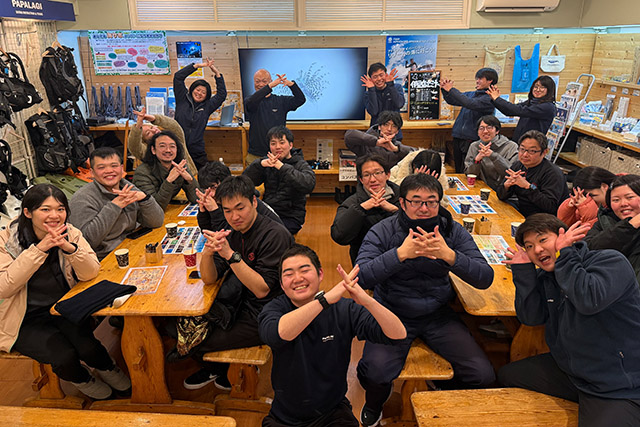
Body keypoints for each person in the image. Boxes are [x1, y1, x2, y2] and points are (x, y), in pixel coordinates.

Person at [356, 174, 495, 426]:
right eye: (416, 201)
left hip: (437, 313)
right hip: (392, 313)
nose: (424, 208)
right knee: (374, 373)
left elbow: (485, 277)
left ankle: (442, 390)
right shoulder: (383, 230)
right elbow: (361, 277)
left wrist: (450, 255)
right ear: (402, 203)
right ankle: (375, 404)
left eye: (431, 202)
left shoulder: (451, 230)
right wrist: (399, 254)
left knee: (482, 374)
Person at [500, 213, 640, 426]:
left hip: (617, 385)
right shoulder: (549, 277)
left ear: (564, 236)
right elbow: (531, 317)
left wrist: (565, 254)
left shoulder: (610, 261)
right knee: (508, 375)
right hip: (572, 372)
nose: (537, 250)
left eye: (543, 240)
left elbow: (588, 300)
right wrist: (524, 272)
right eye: (529, 246)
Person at [0, 184, 131, 400]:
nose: (55, 215)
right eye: (45, 209)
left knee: (89, 348)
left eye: (60, 209)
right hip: (22, 318)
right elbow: (4, 287)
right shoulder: (6, 241)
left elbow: (91, 272)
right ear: (27, 212)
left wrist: (70, 249)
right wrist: (40, 249)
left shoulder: (70, 232)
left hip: (62, 308)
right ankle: (83, 379)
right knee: (64, 357)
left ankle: (109, 368)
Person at [258, 244, 407, 427]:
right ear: (282, 284)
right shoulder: (274, 309)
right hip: (284, 417)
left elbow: (398, 334)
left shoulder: (344, 309)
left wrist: (368, 301)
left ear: (320, 274)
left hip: (332, 412)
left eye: (304, 270)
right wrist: (324, 300)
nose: (297, 278)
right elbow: (277, 335)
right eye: (288, 274)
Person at [182, 175, 293, 391]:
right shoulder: (234, 232)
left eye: (240, 208)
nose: (234, 216)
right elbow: (209, 278)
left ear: (254, 202)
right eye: (227, 211)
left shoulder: (274, 235)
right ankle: (220, 369)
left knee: (193, 341)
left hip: (269, 313)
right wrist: (208, 253)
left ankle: (223, 370)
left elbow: (262, 290)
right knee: (178, 327)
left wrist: (230, 255)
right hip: (240, 302)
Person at [69, 147, 164, 260]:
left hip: (133, 247)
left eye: (114, 166)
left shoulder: (127, 187)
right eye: (101, 167)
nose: (109, 171)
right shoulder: (81, 199)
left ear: (121, 168)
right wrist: (114, 206)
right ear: (92, 173)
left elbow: (157, 222)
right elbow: (87, 241)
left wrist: (145, 199)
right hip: (105, 258)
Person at [244, 126, 316, 235]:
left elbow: (309, 185)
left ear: (290, 145)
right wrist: (259, 164)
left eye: (282, 143)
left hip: (291, 216)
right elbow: (245, 181)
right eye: (273, 143)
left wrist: (282, 167)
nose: (278, 147)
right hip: (268, 211)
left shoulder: (300, 163)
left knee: (269, 233)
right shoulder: (268, 162)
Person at [331, 154, 400, 265]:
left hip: (400, 261)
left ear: (388, 174)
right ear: (361, 179)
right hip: (366, 263)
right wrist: (361, 209)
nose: (372, 179)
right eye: (366, 175)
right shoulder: (351, 203)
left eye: (377, 173)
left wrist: (395, 210)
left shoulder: (404, 198)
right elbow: (339, 236)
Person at [496, 130, 569, 217]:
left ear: (544, 152)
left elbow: (550, 206)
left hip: (543, 219)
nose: (525, 154)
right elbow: (501, 196)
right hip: (522, 211)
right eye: (522, 149)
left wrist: (528, 186)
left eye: (532, 151)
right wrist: (506, 186)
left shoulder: (553, 173)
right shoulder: (518, 166)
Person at [196, 160, 282, 232]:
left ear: (226, 183)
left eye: (214, 187)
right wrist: (203, 212)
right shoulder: (216, 199)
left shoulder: (241, 198)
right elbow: (207, 232)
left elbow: (229, 236)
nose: (210, 194)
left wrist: (215, 211)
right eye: (205, 189)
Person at [584, 174, 640, 284]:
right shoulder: (604, 221)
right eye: (616, 200)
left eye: (629, 197)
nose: (623, 204)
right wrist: (629, 225)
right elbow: (588, 250)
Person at [173, 57, 227, 170]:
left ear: (206, 95)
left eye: (203, 92)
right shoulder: (182, 98)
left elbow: (221, 95)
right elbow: (178, 77)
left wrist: (217, 73)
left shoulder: (207, 106)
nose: (199, 93)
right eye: (198, 90)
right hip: (177, 147)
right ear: (192, 89)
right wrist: (197, 66)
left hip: (197, 150)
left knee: (203, 176)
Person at [441, 68, 497, 173]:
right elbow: (452, 100)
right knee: (458, 168)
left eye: (480, 79)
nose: (477, 81)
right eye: (477, 78)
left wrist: (452, 90)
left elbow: (469, 103)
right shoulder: (471, 94)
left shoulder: (489, 99)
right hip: (458, 136)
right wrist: (445, 90)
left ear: (490, 81)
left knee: (467, 169)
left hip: (472, 139)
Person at [244, 69, 306, 164]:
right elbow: (252, 101)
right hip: (256, 154)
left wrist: (291, 85)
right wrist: (270, 86)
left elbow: (300, 99)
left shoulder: (280, 101)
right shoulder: (250, 101)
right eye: (257, 81)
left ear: (270, 81)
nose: (260, 84)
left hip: (278, 154)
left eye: (264, 81)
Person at [132, 130, 199, 210]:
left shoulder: (179, 166)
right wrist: (169, 180)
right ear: (153, 150)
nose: (168, 150)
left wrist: (190, 181)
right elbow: (153, 208)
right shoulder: (142, 173)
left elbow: (197, 199)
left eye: (172, 146)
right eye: (162, 146)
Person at [488, 75, 557, 144]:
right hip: (520, 141)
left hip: (532, 145)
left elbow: (518, 110)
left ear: (549, 90)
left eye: (542, 87)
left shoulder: (547, 107)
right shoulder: (532, 101)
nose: (538, 90)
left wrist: (497, 99)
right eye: (536, 87)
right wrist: (494, 99)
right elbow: (510, 111)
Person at [127, 107, 197, 174]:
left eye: (152, 127)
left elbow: (175, 126)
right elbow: (134, 147)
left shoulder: (175, 138)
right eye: (148, 133)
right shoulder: (149, 151)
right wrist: (138, 126)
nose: (154, 130)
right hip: (166, 180)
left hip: (190, 175)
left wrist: (154, 119)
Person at [464, 115, 519, 191]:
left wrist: (493, 156)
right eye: (481, 128)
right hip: (480, 188)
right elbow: (469, 174)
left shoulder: (511, 146)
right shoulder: (475, 146)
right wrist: (476, 161)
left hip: (503, 191)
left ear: (497, 131)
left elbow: (511, 174)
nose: (485, 131)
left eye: (489, 128)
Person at [344, 111, 414, 167]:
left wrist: (396, 149)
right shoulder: (366, 143)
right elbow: (349, 135)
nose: (389, 129)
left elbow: (417, 153)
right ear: (379, 127)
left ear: (397, 131)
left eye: (394, 126)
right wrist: (376, 142)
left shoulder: (397, 145)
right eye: (386, 125)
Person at [361, 62, 405, 138]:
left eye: (381, 75)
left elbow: (399, 104)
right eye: (375, 77)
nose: (379, 79)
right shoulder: (368, 94)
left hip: (394, 134)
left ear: (386, 75)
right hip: (375, 134)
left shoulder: (396, 87)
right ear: (371, 79)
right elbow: (374, 112)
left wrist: (390, 85)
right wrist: (371, 90)